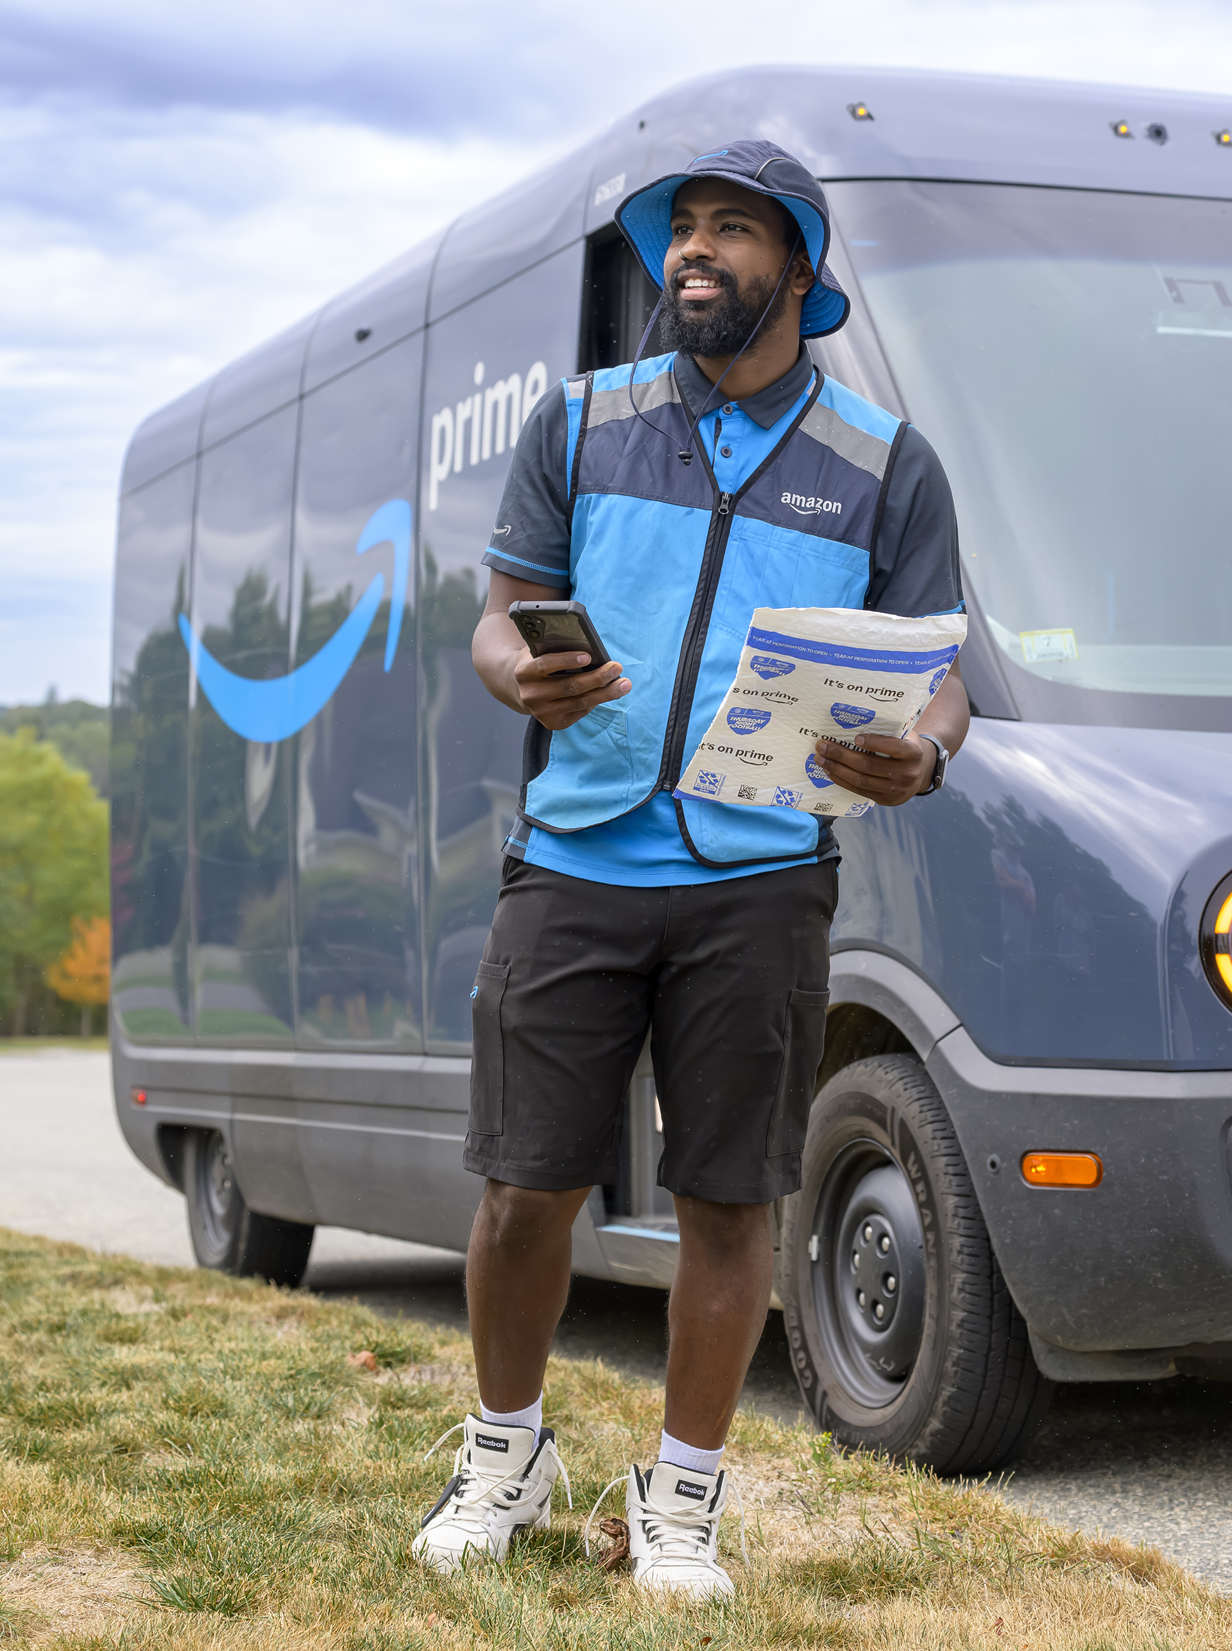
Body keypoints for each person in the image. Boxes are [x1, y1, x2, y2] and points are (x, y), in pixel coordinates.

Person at [408, 139, 967, 1598]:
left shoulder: (884, 467)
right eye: (683, 232)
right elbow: (503, 611)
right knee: (524, 1187)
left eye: (730, 231)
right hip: (579, 859)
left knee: (731, 1202)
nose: (694, 254)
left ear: (798, 269)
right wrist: (510, 676)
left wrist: (926, 750)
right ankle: (505, 1451)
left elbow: (941, 673)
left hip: (762, 873)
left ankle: (686, 1497)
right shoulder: (582, 421)